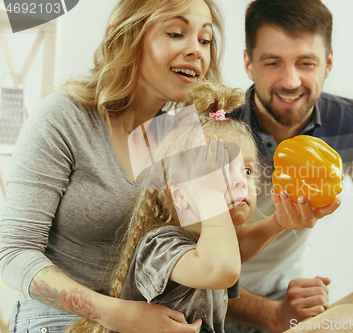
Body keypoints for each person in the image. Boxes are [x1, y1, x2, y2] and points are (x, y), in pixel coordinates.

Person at [0, 0, 226, 332]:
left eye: (205, 40)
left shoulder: (179, 136)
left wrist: (278, 221)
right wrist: (120, 316)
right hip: (58, 320)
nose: (196, 50)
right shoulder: (66, 117)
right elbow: (13, 254)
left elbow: (213, 260)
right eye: (176, 33)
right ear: (131, 36)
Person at [224, 1, 353, 332]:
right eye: (273, 62)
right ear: (249, 64)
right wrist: (271, 315)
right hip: (208, 303)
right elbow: (190, 256)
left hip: (290, 298)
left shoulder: (352, 123)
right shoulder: (214, 127)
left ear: (328, 62)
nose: (290, 81)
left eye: (306, 62)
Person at [65, 80, 290, 333]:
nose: (240, 180)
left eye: (247, 170)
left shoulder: (207, 245)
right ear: (179, 193)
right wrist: (209, 190)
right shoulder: (160, 245)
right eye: (218, 167)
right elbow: (222, 267)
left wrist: (278, 222)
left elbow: (234, 250)